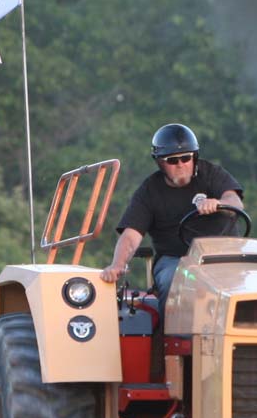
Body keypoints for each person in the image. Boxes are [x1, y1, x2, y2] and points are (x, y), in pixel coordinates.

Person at [98, 123, 244, 314]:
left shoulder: (212, 174)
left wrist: (219, 203)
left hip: (223, 256)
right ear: (160, 163)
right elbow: (131, 235)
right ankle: (169, 339)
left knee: (254, 280)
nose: (181, 164)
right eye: (172, 160)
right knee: (172, 280)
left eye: (186, 158)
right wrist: (118, 265)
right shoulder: (149, 191)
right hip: (176, 259)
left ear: (195, 157)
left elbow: (235, 202)